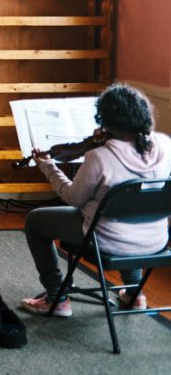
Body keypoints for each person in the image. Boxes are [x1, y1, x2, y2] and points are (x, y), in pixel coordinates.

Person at [20, 84, 171, 317]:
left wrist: (50, 169)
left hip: (109, 241)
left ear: (106, 119)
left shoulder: (100, 156)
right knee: (130, 215)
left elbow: (73, 198)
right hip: (156, 240)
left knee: (35, 221)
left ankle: (56, 297)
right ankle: (134, 293)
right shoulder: (165, 144)